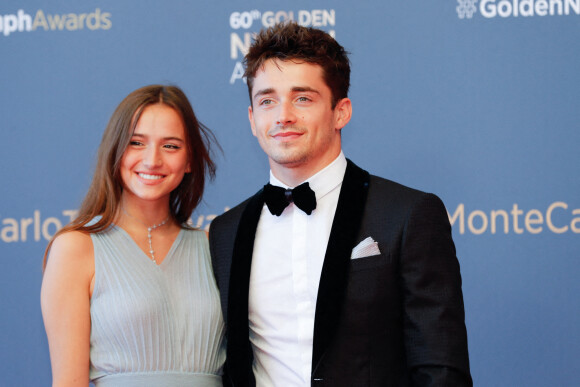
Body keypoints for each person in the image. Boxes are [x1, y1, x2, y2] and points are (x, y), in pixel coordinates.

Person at [209, 22, 472, 386]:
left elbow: (441, 368)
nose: (283, 116)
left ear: (341, 111)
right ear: (253, 119)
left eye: (303, 98)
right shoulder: (226, 232)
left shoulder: (407, 215)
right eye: (267, 100)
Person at [41, 85, 226, 386]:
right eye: (136, 143)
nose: (152, 160)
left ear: (189, 160)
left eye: (171, 146)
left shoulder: (211, 245)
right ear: (115, 150)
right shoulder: (76, 248)